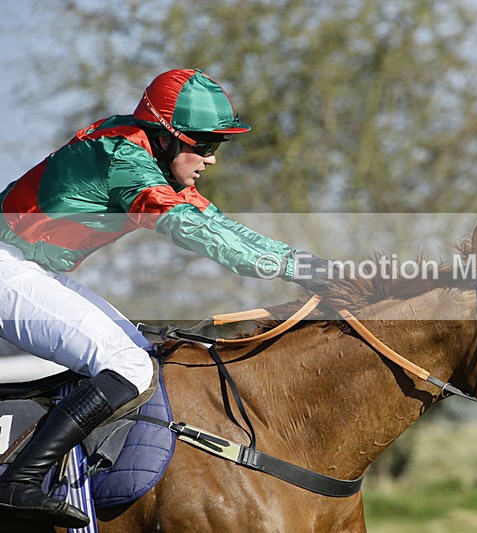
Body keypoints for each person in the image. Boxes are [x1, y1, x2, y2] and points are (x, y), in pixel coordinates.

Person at [0, 68, 333, 527]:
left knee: (140, 355)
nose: (211, 160)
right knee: (129, 366)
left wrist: (308, 264)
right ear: (166, 138)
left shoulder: (148, 158)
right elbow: (191, 229)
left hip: (28, 267)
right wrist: (300, 270)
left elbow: (218, 224)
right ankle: (20, 480)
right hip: (7, 266)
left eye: (218, 146)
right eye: (205, 145)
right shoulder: (124, 160)